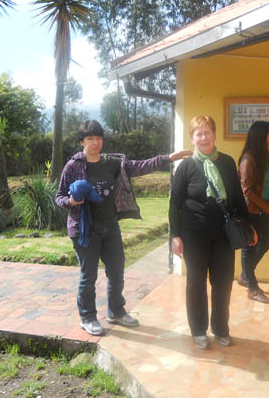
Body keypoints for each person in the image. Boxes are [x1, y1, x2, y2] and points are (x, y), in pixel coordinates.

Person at [56, 120, 191, 336]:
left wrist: (169, 158)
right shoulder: (73, 166)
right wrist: (71, 201)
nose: (95, 142)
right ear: (82, 141)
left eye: (98, 138)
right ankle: (87, 317)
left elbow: (140, 166)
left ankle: (116, 311)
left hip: (110, 226)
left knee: (117, 272)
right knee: (88, 276)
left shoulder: (112, 163)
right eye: (90, 138)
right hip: (84, 230)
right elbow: (59, 197)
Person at [170, 116, 255, 349]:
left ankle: (220, 329)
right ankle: (198, 330)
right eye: (199, 134)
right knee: (196, 282)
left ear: (214, 135)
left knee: (223, 282)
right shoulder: (186, 167)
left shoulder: (227, 162)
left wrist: (248, 227)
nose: (204, 138)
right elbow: (174, 203)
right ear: (192, 138)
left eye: (207, 132)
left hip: (223, 234)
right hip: (194, 235)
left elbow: (237, 197)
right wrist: (175, 236)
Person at [238, 121, 269, 304]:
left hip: (265, 210)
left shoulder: (264, 156)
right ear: (262, 136)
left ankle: (245, 275)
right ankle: (252, 289)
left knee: (265, 244)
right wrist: (267, 207)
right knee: (249, 248)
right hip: (251, 211)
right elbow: (247, 190)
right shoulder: (248, 159)